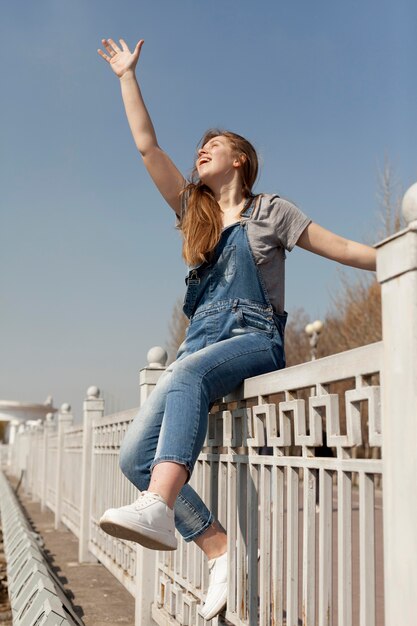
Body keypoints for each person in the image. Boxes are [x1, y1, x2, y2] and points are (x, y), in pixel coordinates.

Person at [97, 37, 376, 620]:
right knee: (131, 458)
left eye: (213, 146)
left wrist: (397, 256)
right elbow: (149, 148)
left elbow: (343, 247)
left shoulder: (272, 211)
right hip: (200, 345)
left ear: (240, 159)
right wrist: (127, 76)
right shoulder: (192, 211)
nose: (200, 151)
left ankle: (159, 507)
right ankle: (218, 546)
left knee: (189, 376)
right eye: (199, 146)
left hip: (253, 340)